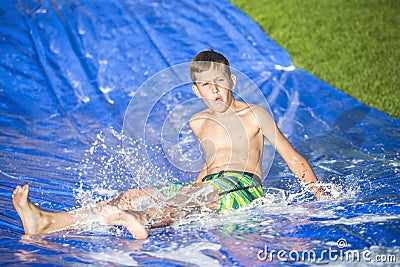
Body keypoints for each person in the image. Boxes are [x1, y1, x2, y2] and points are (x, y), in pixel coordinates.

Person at [12, 49, 327, 240]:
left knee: (189, 199)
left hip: (242, 187)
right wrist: (186, 188)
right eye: (206, 85)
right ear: (196, 91)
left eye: (220, 82)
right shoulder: (198, 122)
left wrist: (320, 194)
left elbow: (292, 157)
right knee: (132, 196)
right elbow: (210, 163)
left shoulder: (254, 114)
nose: (214, 90)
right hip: (212, 186)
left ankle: (142, 220)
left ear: (231, 82)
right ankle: (47, 222)